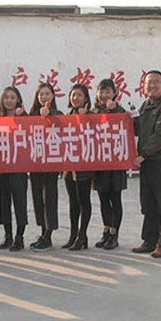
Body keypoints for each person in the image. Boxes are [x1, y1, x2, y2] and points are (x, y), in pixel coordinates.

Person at [132, 70, 161, 258]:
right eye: (148, 82)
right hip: (148, 162)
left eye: (156, 82)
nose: (152, 86)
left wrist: (143, 155)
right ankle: (149, 240)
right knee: (148, 203)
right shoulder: (146, 105)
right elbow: (137, 130)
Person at [91, 79, 127, 250]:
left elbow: (132, 127)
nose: (104, 95)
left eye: (107, 92)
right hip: (99, 162)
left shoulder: (120, 110)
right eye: (101, 91)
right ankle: (106, 231)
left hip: (115, 163)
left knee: (115, 199)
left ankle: (114, 234)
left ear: (114, 93)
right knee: (103, 200)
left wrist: (115, 110)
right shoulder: (92, 112)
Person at [28, 82, 62, 252]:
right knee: (38, 199)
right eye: (41, 94)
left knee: (49, 199)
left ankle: (48, 236)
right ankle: (42, 233)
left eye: (47, 93)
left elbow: (63, 129)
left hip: (51, 164)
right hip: (36, 163)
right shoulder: (32, 114)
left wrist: (49, 117)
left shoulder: (58, 114)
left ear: (53, 96)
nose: (44, 97)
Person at [62, 84, 94, 251]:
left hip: (84, 165)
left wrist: (84, 118)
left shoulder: (91, 115)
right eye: (73, 95)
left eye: (79, 95)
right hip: (69, 165)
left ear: (86, 98)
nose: (76, 98)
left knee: (83, 201)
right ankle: (73, 234)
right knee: (73, 202)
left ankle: (83, 235)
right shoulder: (68, 115)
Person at [0, 86, 29, 251]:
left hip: (19, 168)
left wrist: (21, 117)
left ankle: (19, 237)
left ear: (18, 100)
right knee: (4, 203)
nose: (9, 100)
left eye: (12, 97)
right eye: (6, 97)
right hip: (2, 168)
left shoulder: (24, 118)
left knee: (20, 203)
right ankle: (8, 235)